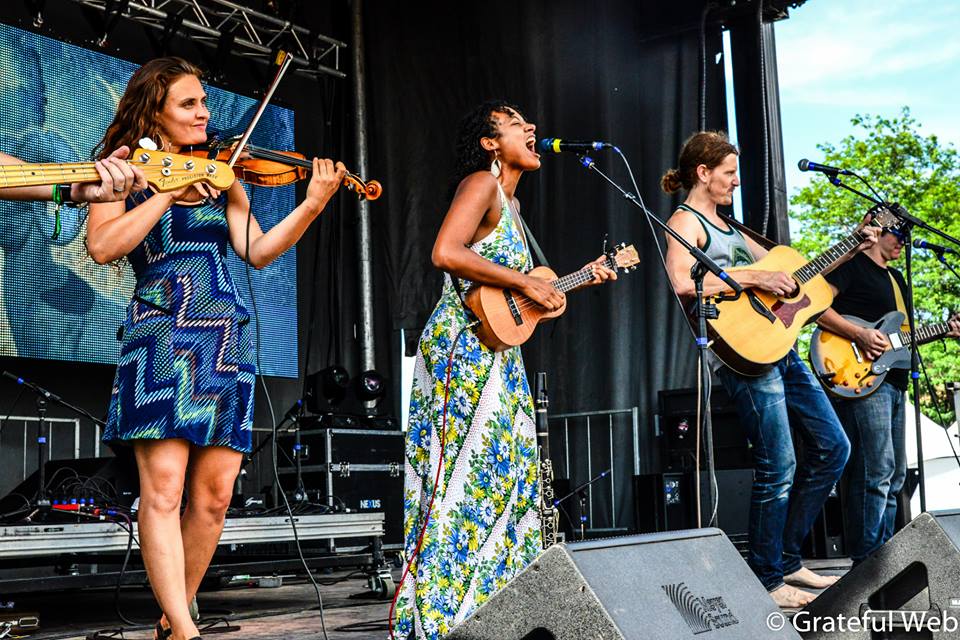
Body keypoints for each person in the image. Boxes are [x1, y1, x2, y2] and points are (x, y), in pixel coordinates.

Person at [85, 57, 345, 640]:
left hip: (226, 341)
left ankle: (170, 621)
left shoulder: (222, 170)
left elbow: (255, 249)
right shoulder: (122, 169)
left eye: (204, 101)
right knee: (165, 489)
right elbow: (103, 246)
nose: (204, 112)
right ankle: (184, 629)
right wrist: (167, 192)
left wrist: (313, 203)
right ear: (154, 109)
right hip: (161, 337)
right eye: (188, 103)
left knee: (215, 496)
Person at [394, 100, 616, 639]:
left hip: (497, 353)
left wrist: (559, 287)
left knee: (505, 476)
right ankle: (436, 618)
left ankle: (496, 608)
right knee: (458, 481)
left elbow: (516, 294)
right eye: (517, 124)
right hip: (460, 351)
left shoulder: (514, 209)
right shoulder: (481, 183)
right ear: (491, 143)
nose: (532, 128)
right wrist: (523, 283)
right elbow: (446, 251)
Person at [661, 131, 878, 608]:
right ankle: (767, 578)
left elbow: (798, 275)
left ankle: (786, 556)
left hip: (780, 348)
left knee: (833, 448)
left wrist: (852, 245)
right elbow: (681, 280)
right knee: (778, 464)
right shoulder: (687, 222)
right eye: (729, 174)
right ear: (703, 173)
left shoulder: (733, 230)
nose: (736, 182)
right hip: (744, 357)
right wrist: (756, 276)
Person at [818, 213, 960, 564]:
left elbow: (895, 340)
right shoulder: (850, 266)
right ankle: (867, 561)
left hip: (893, 379)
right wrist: (858, 334)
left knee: (896, 474)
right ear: (877, 230)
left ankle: (885, 556)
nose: (903, 240)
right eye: (898, 232)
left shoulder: (897, 277)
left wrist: (944, 329)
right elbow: (816, 308)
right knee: (875, 470)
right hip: (861, 379)